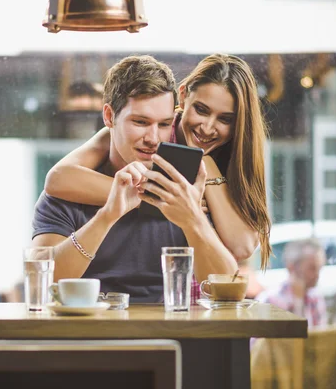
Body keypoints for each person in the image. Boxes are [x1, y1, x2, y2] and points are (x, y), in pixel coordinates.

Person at [31, 55, 238, 303]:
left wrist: (193, 218)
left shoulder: (180, 194)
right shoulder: (66, 196)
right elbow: (43, 282)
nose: (153, 138)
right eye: (140, 122)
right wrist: (107, 216)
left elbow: (226, 293)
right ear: (109, 116)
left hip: (163, 338)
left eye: (164, 124)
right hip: (84, 338)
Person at [256, 238, 328, 326]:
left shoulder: (315, 298)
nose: (317, 275)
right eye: (312, 268)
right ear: (292, 267)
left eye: (319, 268)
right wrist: (298, 301)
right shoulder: (271, 301)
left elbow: (320, 336)